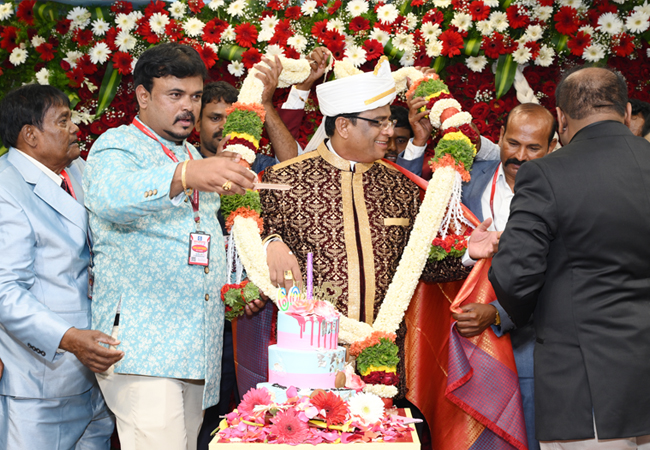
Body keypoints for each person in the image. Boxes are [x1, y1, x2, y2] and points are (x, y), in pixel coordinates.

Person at [83, 43, 262, 450]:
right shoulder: (118, 145)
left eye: (195, 96)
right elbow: (112, 197)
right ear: (143, 96)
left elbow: (202, 239)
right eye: (175, 95)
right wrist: (186, 173)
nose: (188, 107)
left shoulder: (192, 152)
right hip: (143, 346)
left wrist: (237, 287)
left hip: (194, 346)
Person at [488, 66, 650, 448]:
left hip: (587, 383)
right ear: (626, 113)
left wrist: (518, 314)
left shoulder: (546, 174)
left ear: (560, 118)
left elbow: (514, 275)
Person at [0, 84, 123, 449]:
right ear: (30, 136)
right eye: (64, 120)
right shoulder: (6, 189)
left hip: (96, 376)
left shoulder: (82, 171)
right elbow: (5, 292)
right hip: (41, 384)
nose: (76, 128)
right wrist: (69, 339)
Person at [453, 103, 558, 450]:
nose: (520, 156)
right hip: (465, 336)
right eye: (513, 143)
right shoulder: (466, 176)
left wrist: (499, 311)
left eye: (533, 147)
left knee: (523, 435)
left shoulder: (563, 191)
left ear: (552, 147)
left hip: (529, 341)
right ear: (498, 138)